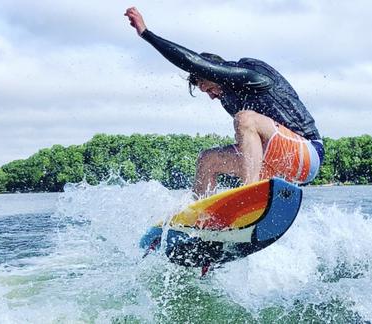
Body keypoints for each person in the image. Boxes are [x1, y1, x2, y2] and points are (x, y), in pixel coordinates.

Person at [124, 7, 324, 197]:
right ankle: (201, 221)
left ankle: (250, 195)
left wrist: (146, 34)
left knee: (245, 119)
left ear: (215, 70)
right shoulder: (227, 100)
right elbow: (250, 147)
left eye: (209, 88)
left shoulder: (252, 74)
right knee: (207, 160)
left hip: (306, 154)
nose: (211, 96)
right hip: (273, 164)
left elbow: (193, 62)